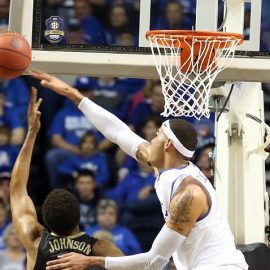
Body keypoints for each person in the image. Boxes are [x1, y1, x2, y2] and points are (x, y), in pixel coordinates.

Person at [30, 70, 248, 270]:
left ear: (168, 146)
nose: (150, 140)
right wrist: (74, 95)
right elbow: (118, 132)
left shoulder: (188, 194)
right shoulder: (163, 165)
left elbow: (155, 261)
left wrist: (91, 260)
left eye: (157, 136)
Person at [10, 88, 123, 270]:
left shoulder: (35, 243)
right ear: (79, 216)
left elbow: (17, 190)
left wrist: (32, 132)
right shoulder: (100, 248)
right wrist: (97, 260)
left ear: (44, 222)